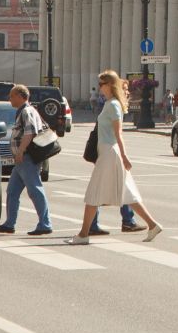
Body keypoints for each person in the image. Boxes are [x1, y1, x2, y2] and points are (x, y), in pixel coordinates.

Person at [69, 71, 160, 244]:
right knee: (128, 194)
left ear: (110, 85)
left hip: (110, 152)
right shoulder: (110, 104)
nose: (99, 87)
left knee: (93, 194)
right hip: (108, 152)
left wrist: (125, 156)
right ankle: (153, 225)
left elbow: (119, 133)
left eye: (102, 84)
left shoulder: (113, 105)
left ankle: (83, 235)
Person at [0, 84, 54, 236]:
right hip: (21, 159)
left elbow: (30, 133)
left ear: (21, 97)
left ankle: (45, 224)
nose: (10, 99)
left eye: (12, 96)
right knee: (12, 191)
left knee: (35, 190)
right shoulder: (24, 111)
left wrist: (20, 151)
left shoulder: (27, 111)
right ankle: (9, 224)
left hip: (26, 158)